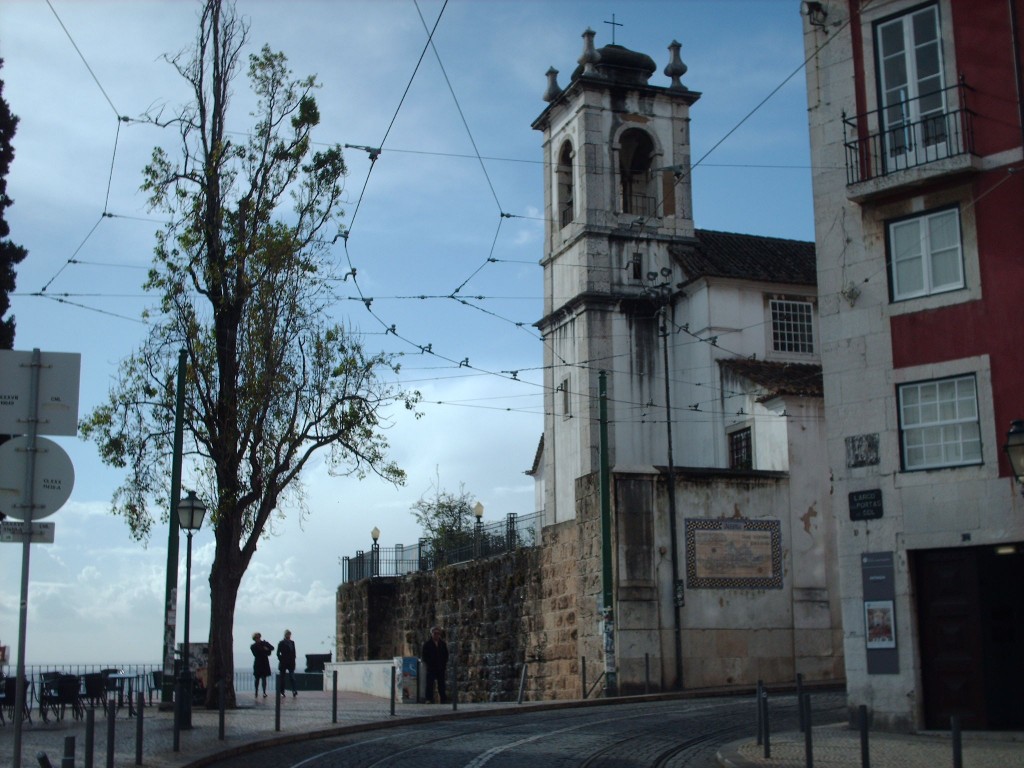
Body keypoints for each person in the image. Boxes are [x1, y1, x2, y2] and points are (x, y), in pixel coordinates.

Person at [420, 625, 449, 704]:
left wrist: (443, 663)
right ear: (432, 634)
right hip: (431, 667)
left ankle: (443, 699)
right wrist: (429, 663)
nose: (437, 635)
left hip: (440, 667)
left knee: (441, 684)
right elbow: (424, 656)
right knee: (429, 683)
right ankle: (428, 699)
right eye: (435, 633)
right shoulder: (427, 644)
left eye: (438, 633)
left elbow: (446, 655)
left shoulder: (442, 644)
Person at [250, 632, 274, 698]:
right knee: (257, 678)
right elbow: (256, 654)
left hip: (264, 662)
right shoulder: (253, 646)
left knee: (264, 678)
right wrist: (265, 649)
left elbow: (272, 648)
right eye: (256, 638)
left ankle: (264, 692)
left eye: (258, 637)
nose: (258, 639)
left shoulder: (265, 643)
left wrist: (267, 649)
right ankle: (256, 691)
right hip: (258, 662)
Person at [276, 629, 298, 697]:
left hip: (291, 662)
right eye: (287, 634)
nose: (288, 636)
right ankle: (282, 691)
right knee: (282, 678)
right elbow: (278, 653)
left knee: (292, 677)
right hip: (283, 662)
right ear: (285, 635)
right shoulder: (281, 642)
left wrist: (294, 659)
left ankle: (294, 690)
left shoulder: (292, 642)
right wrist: (281, 659)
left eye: (289, 634)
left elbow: (294, 652)